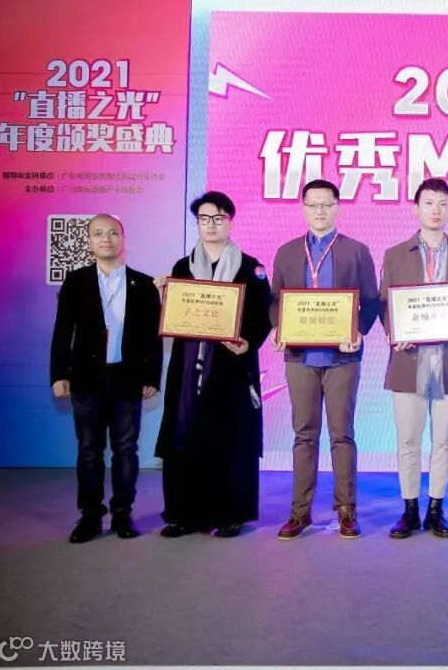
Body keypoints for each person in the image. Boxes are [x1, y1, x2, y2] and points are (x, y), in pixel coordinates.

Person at [155, 191, 272, 538]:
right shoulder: (182, 267)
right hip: (189, 367)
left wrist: (249, 341)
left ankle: (230, 514)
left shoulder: (251, 268)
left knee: (231, 438)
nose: (210, 225)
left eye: (218, 218)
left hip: (231, 366)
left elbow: (263, 314)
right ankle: (183, 515)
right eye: (204, 219)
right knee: (185, 435)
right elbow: (176, 312)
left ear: (230, 222)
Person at [269, 179, 380, 540]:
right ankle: (300, 512)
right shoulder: (286, 252)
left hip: (342, 358)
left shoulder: (357, 250)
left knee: (342, 435)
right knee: (304, 435)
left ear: (338, 207)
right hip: (300, 358)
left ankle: (347, 510)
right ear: (303, 208)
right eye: (313, 205)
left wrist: (359, 330)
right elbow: (275, 300)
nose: (319, 211)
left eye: (326, 204)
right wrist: (278, 326)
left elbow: (372, 299)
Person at [380, 177, 448, 539]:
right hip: (409, 360)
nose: (436, 210)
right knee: (408, 440)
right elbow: (385, 304)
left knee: (444, 441)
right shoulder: (395, 254)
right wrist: (395, 334)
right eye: (429, 202)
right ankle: (409, 509)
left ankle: (436, 509)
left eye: (442, 203)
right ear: (416, 208)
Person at [50, 214, 162, 543]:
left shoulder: (143, 284)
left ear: (123, 238)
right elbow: (62, 331)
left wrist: (152, 376)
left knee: (126, 450)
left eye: (113, 232)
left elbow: (153, 337)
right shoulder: (76, 281)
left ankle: (122, 513)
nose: (106, 238)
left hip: (127, 378)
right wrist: (59, 374)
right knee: (89, 450)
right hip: (87, 379)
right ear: (89, 241)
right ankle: (90, 515)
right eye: (98, 233)